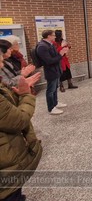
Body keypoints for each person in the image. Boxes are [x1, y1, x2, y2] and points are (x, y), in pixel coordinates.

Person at [0, 48, 42, 201]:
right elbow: (19, 120)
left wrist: (21, 83)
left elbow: (7, 105)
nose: (2, 63)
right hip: (5, 168)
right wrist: (25, 94)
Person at [36, 29, 69, 115]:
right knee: (50, 90)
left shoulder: (50, 44)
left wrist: (62, 52)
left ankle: (55, 103)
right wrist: (60, 54)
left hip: (56, 69)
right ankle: (51, 108)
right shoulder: (42, 46)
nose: (55, 36)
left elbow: (55, 56)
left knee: (55, 88)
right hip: (50, 71)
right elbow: (49, 61)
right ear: (48, 36)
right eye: (53, 35)